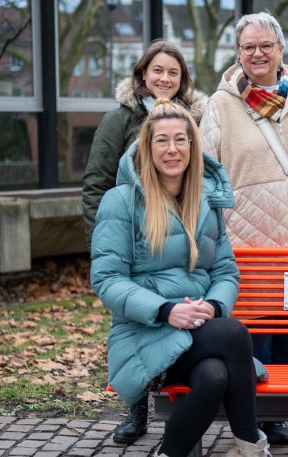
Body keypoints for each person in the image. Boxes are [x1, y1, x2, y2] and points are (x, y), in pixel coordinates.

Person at [90, 99, 270, 457]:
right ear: (147, 147)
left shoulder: (206, 201)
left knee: (215, 376)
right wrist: (166, 310)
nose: (172, 149)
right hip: (145, 336)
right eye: (162, 141)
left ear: (192, 146)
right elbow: (107, 280)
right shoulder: (120, 202)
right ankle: (251, 446)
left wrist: (213, 305)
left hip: (199, 334)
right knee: (234, 332)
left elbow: (225, 271)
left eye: (180, 140)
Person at [199, 12, 288, 444]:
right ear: (238, 53)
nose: (257, 54)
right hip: (247, 241)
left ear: (281, 49)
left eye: (265, 46)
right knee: (254, 333)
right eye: (248, 47)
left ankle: (279, 413)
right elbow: (203, 172)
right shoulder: (220, 104)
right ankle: (252, 414)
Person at [82, 40, 208, 444]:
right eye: (157, 71)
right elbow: (96, 183)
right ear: (142, 75)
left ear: (182, 79)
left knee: (179, 323)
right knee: (134, 321)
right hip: (132, 243)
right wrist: (103, 243)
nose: (164, 78)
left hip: (180, 244)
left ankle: (184, 396)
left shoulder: (197, 119)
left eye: (173, 72)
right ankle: (136, 410)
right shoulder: (120, 119)